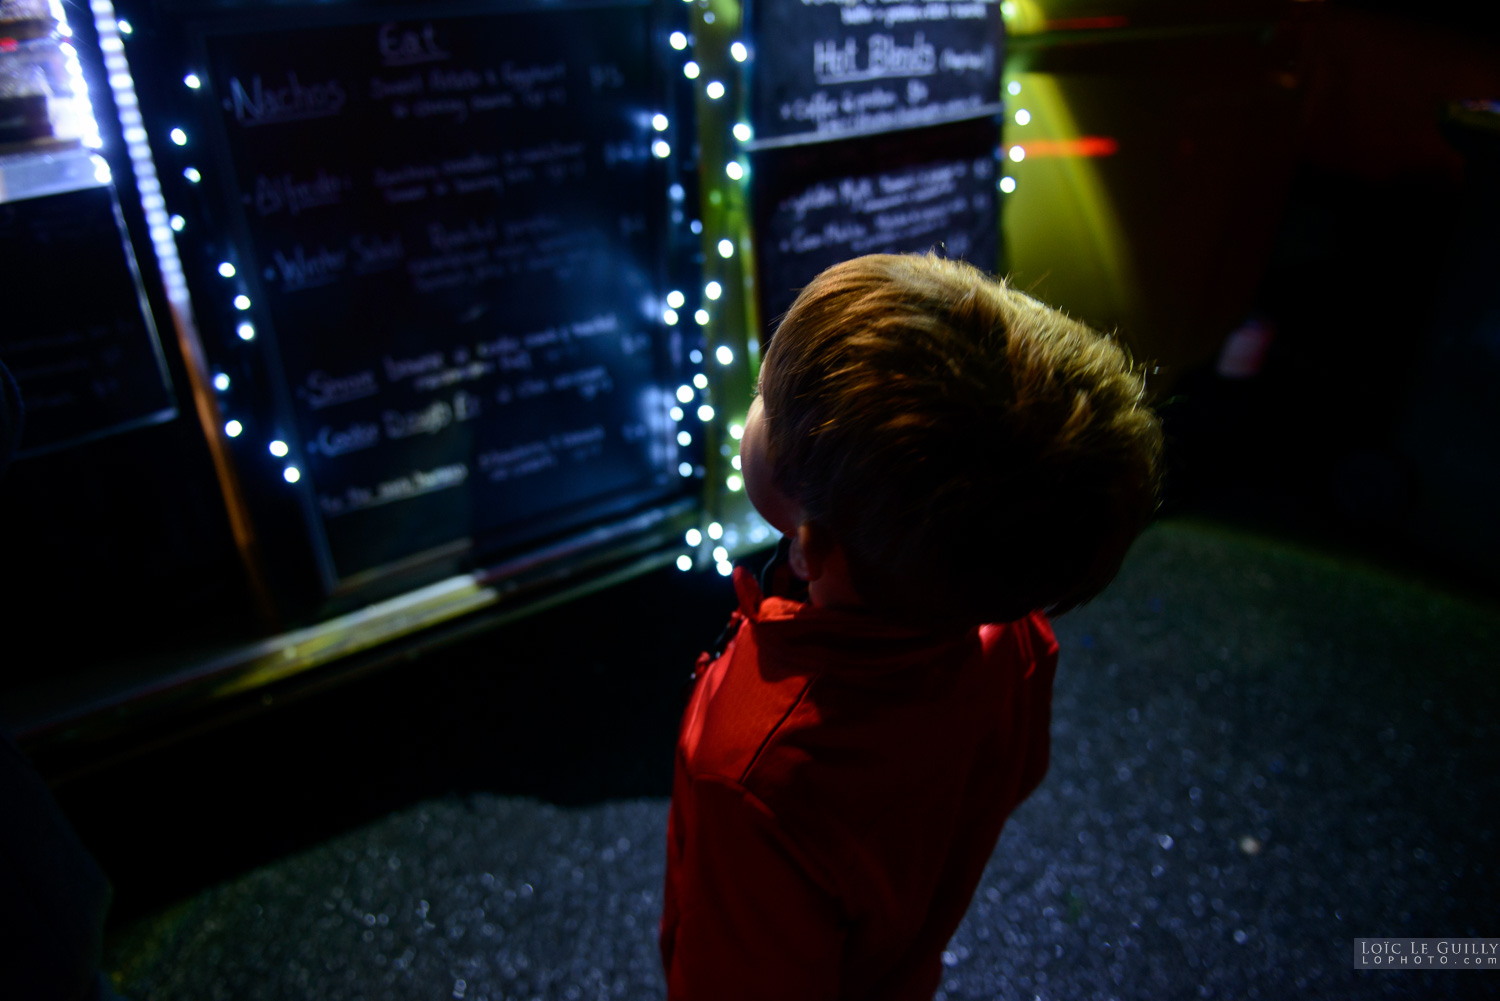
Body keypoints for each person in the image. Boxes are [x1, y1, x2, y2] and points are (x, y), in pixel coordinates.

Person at [658, 253, 1164, 1000]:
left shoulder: (752, 773)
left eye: (767, 399)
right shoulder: (1010, 633)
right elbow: (1014, 770)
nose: (756, 400)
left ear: (813, 543)